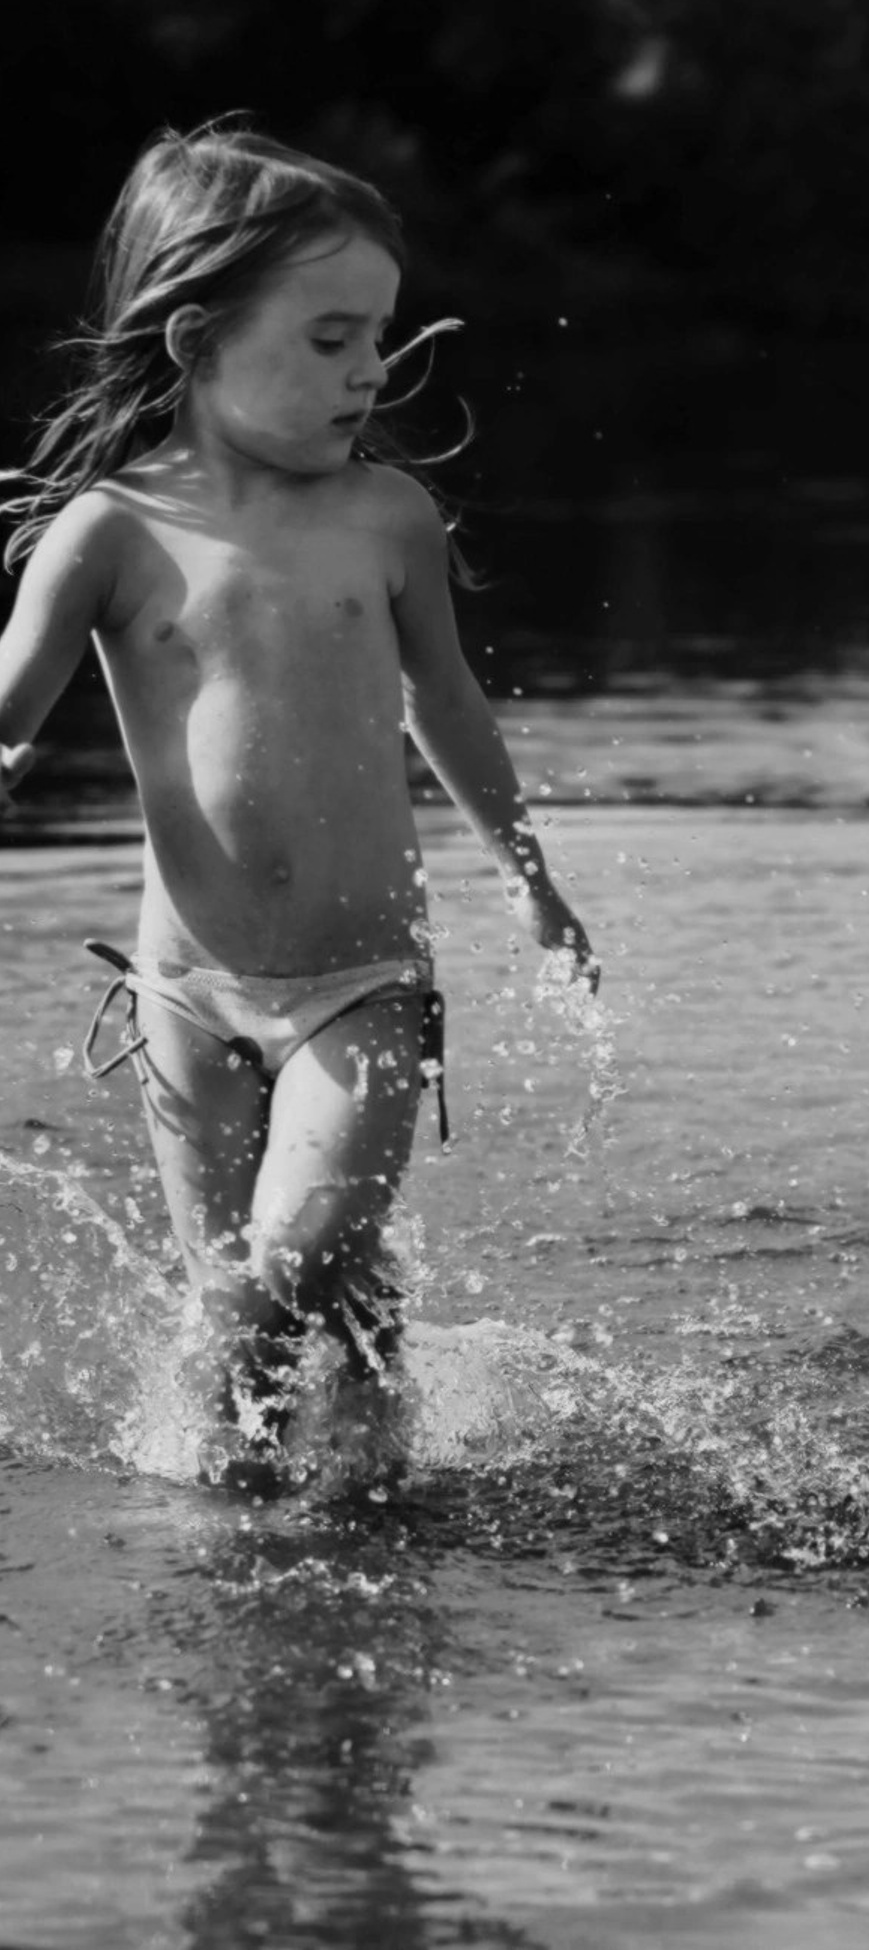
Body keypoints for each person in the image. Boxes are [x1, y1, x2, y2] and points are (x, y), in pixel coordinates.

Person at [0, 120, 595, 1483]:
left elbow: (444, 704)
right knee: (263, 1314)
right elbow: (9, 712)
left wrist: (528, 875)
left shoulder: (386, 518)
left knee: (283, 1264)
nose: (371, 372)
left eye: (378, 337)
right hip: (181, 996)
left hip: (360, 980)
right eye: (330, 340)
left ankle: (214, 1493)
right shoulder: (110, 531)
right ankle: (294, 1511)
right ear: (198, 341)